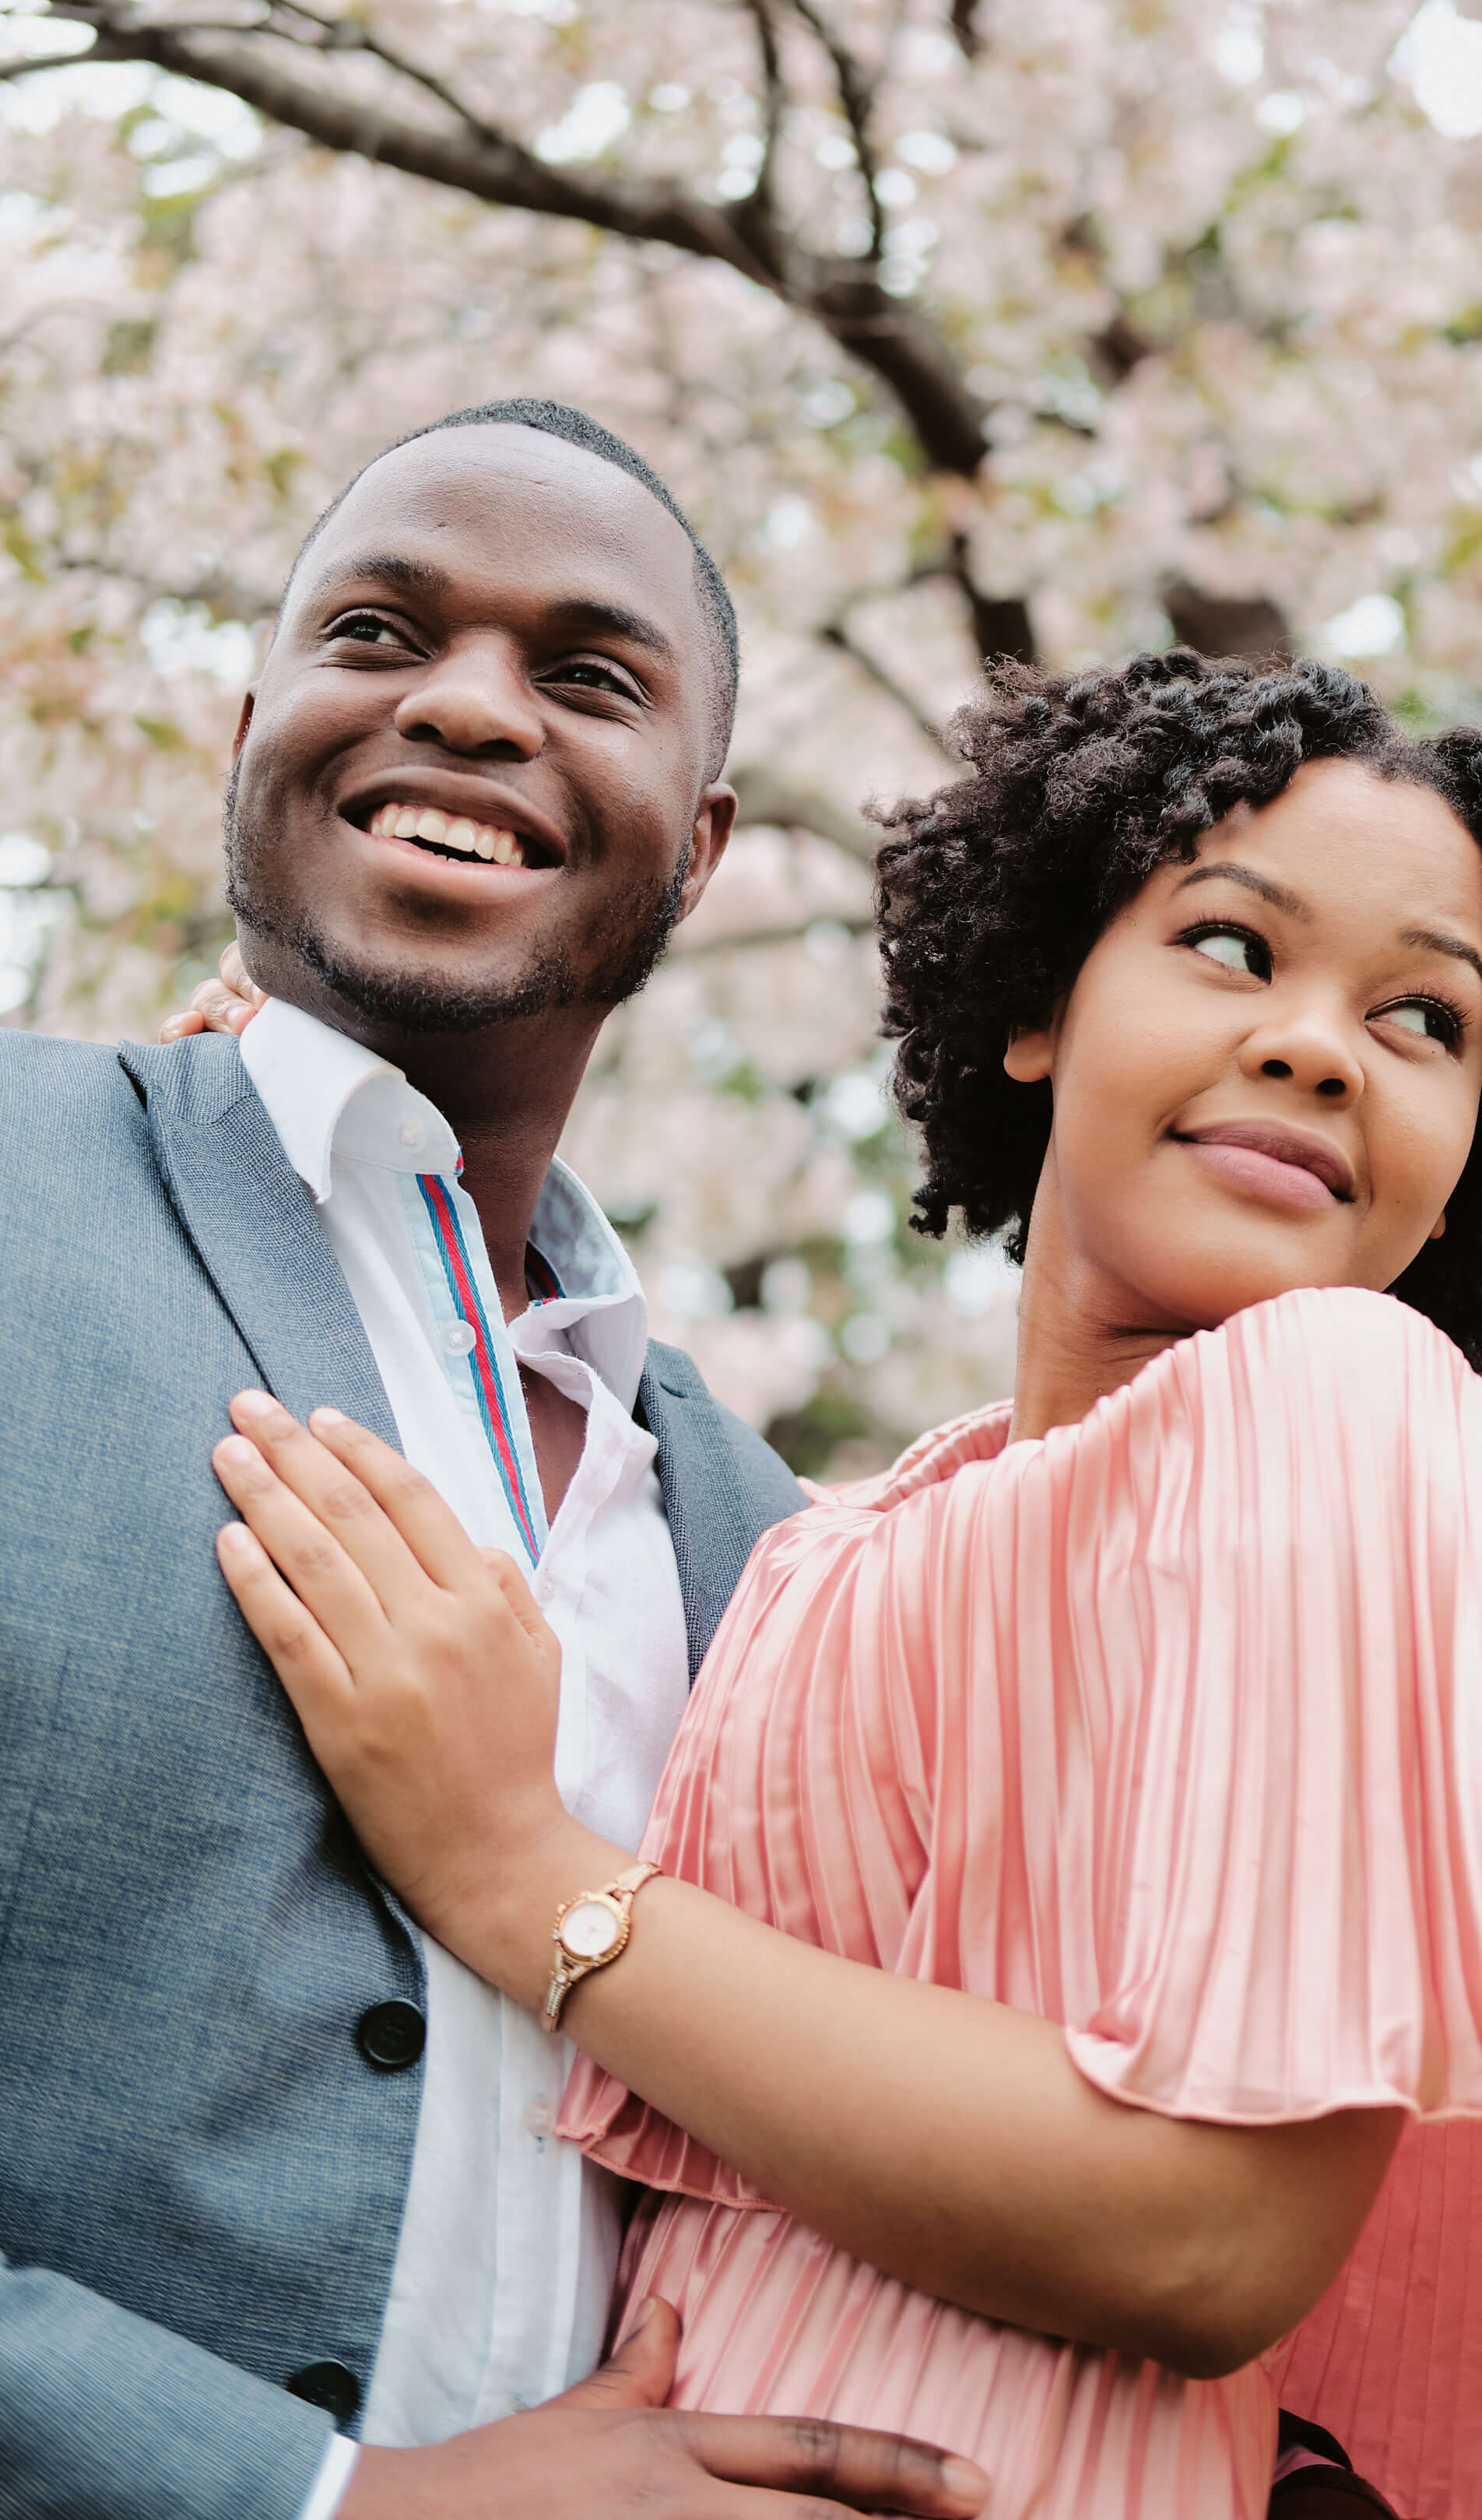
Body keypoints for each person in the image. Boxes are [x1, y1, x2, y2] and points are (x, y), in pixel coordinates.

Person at [198, 649, 1482, 2519]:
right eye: (1235, 947)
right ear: (1039, 1008)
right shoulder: (851, 1531)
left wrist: (529, 1881)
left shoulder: (1340, 1403)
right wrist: (314, 1155)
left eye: (1423, 1020)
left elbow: (1206, 2237)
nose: (1320, 1041)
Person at [0, 398, 988, 2520]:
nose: (464, 707)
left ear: (699, 845)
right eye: (381, 632)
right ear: (253, 731)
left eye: (585, 676)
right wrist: (328, 2503)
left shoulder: (763, 1538)